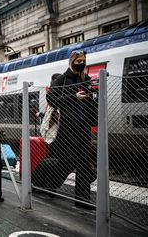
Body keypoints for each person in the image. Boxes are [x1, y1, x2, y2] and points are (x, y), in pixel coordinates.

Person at [46, 50, 97, 209]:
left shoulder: (87, 81)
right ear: (72, 62)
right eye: (78, 61)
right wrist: (74, 97)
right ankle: (49, 184)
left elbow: (92, 103)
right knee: (68, 161)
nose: (81, 63)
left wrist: (91, 99)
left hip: (83, 126)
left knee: (82, 162)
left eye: (83, 61)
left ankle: (82, 200)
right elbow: (51, 98)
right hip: (68, 128)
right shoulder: (62, 79)